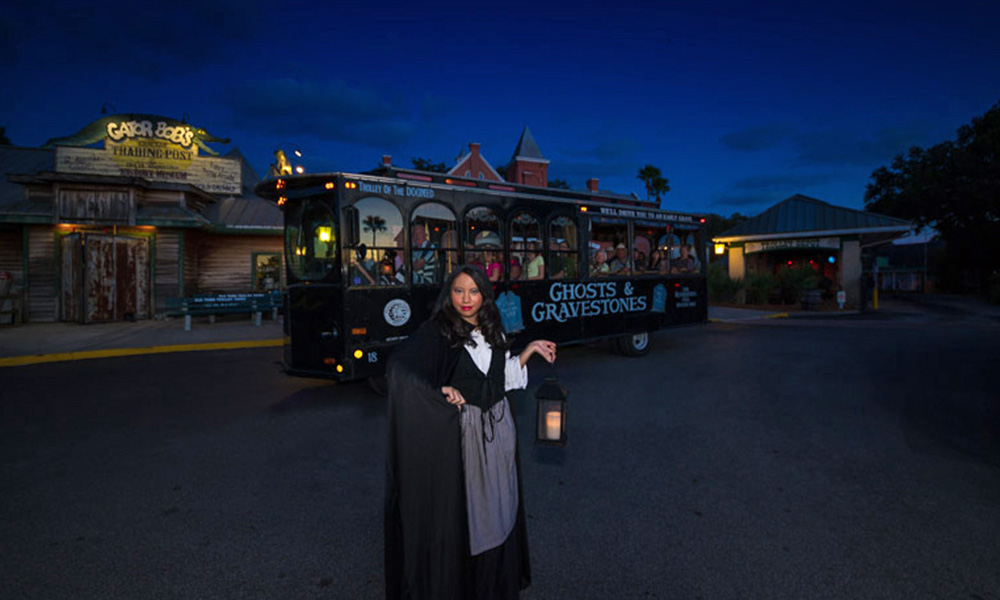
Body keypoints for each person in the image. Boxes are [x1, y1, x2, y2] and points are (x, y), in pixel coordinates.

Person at [385, 265, 557, 600]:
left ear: (484, 295)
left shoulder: (494, 328)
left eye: (474, 291)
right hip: (467, 436)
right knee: (475, 517)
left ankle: (496, 584)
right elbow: (400, 368)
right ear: (448, 293)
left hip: (500, 429)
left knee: (502, 507)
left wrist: (528, 351)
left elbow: (498, 379)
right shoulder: (438, 331)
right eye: (459, 291)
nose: (466, 299)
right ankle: (470, 586)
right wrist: (440, 390)